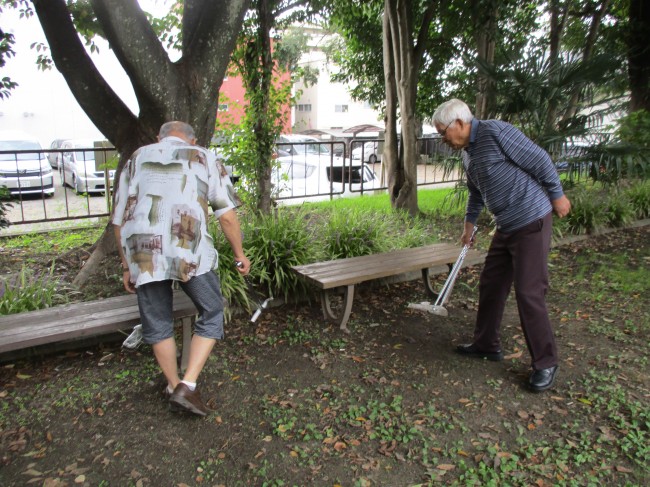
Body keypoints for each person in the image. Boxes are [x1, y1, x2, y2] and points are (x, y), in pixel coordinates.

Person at [432, 99, 571, 392]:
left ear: (459, 123)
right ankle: (486, 344)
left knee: (529, 292)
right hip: (506, 226)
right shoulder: (468, 155)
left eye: (443, 132)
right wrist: (469, 225)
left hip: (531, 220)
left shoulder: (496, 132)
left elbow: (540, 159)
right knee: (491, 283)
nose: (443, 140)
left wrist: (557, 195)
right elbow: (475, 192)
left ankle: (546, 362)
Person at [112, 121, 250, 416]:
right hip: (189, 249)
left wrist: (126, 266)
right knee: (212, 309)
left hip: (143, 251)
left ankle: (173, 384)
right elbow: (226, 215)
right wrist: (239, 254)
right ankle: (187, 385)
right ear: (193, 139)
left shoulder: (136, 158)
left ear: (158, 138)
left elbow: (118, 219)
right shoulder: (204, 156)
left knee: (157, 319)